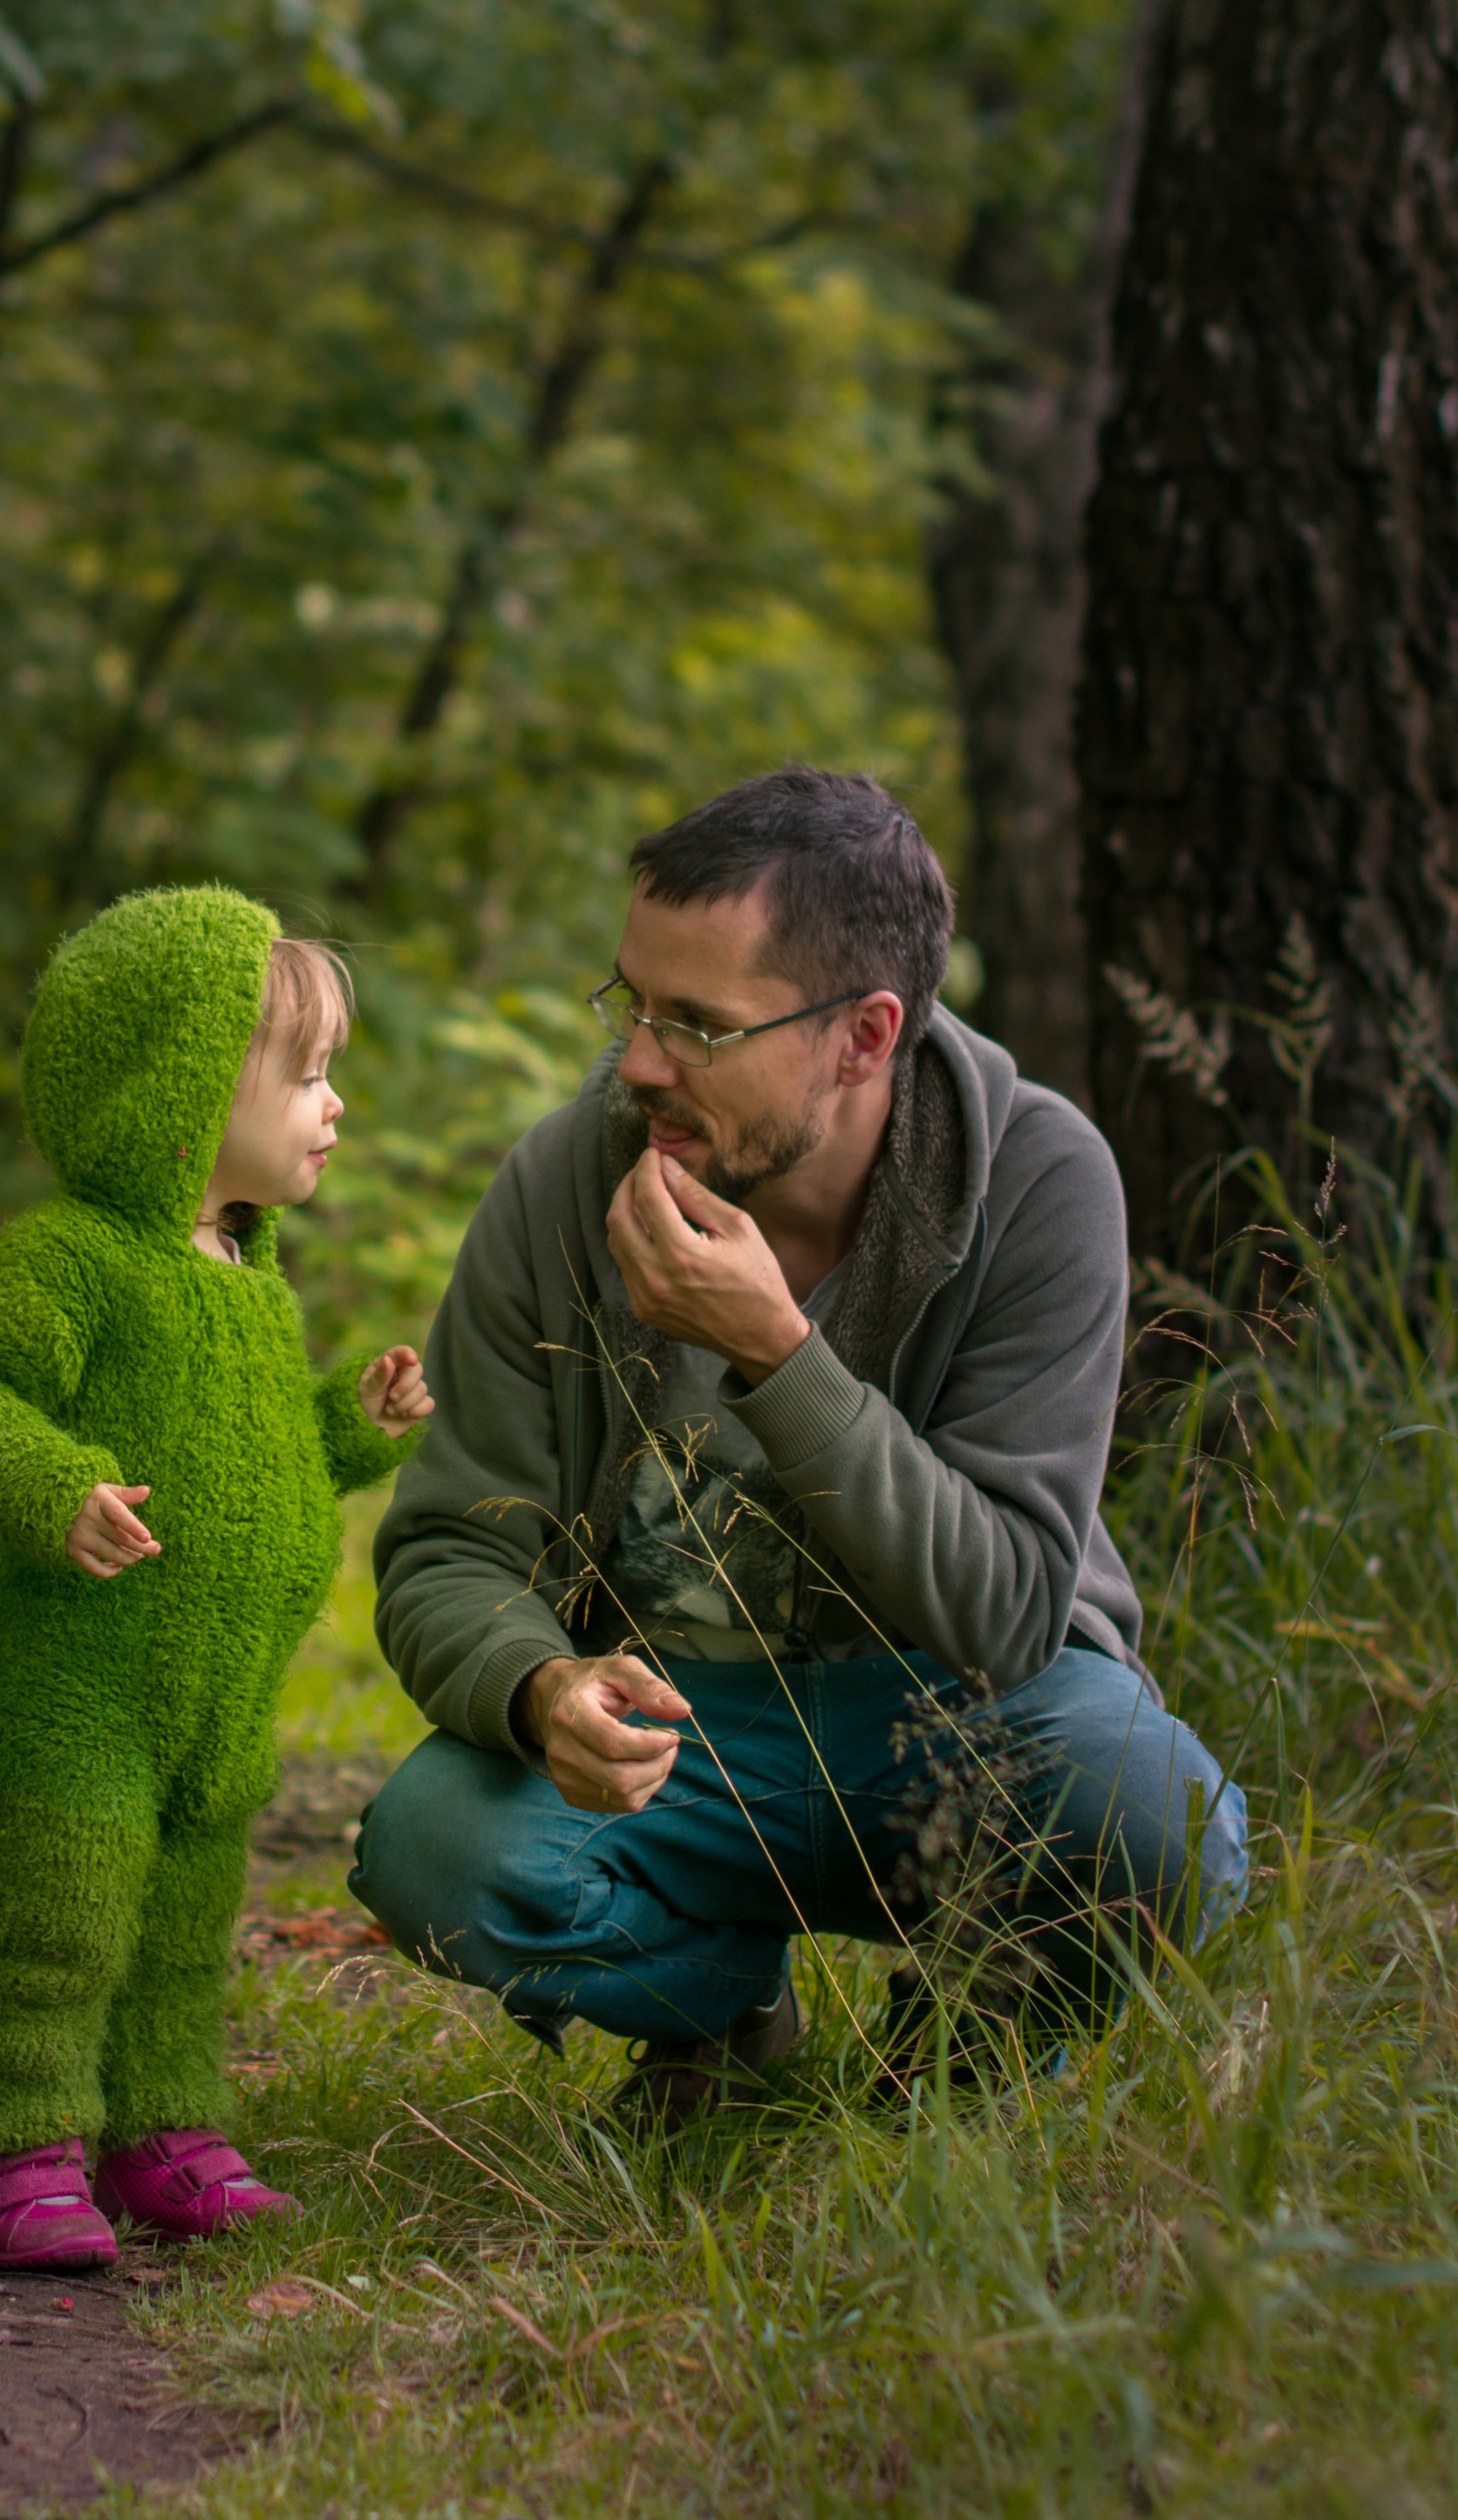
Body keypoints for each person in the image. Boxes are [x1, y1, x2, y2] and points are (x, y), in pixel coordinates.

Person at [350, 768, 1246, 2122]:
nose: (640, 1060)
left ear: (864, 1036)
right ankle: (723, 2006)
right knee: (435, 1851)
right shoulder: (564, 1178)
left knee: (1161, 1819)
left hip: (966, 1719)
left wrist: (780, 1356)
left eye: (699, 1026)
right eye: (633, 1004)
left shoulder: (1041, 1178)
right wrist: (539, 1688)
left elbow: (1008, 1611)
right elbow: (447, 1548)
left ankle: (951, 2062)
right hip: (683, 1732)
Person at [0, 885, 431, 2266]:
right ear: (185, 1086)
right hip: (78, 1691)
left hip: (217, 1702)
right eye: (307, 1076)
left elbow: (264, 1466)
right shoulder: (74, 1261)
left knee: (186, 1931)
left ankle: (162, 2129)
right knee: (67, 1916)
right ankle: (22, 2143)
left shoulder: (254, 1277)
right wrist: (50, 1487)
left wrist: (350, 1429)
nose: (331, 1109)